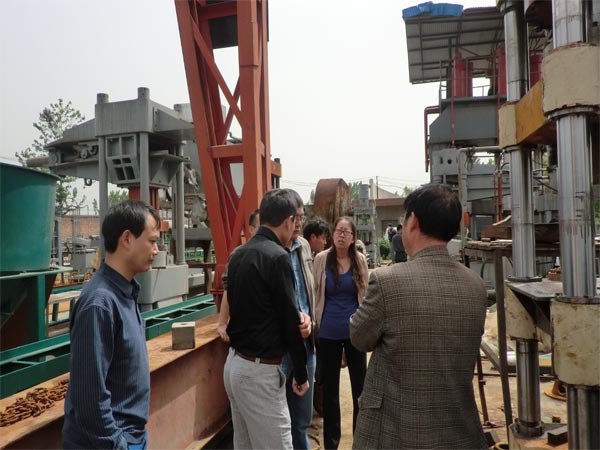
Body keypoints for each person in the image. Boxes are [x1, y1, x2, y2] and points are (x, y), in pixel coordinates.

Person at [350, 184, 488, 450]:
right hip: (459, 433)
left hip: (396, 433)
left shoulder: (387, 281)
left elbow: (359, 337)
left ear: (412, 221)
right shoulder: (476, 286)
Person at [63, 200, 160, 450]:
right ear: (127, 239)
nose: (156, 250)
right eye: (152, 241)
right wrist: (118, 445)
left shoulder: (124, 292)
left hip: (129, 436)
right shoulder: (100, 303)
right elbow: (89, 398)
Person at [224, 188, 309, 449]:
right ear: (288, 221)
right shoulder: (277, 256)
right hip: (259, 372)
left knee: (246, 445)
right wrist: (301, 372)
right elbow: (288, 320)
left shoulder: (238, 254)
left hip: (235, 364)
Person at [312, 216, 369, 450]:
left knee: (360, 391)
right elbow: (315, 291)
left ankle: (360, 442)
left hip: (355, 333)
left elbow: (365, 295)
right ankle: (331, 445)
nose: (341, 235)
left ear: (353, 237)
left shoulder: (360, 261)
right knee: (330, 393)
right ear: (332, 234)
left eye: (346, 232)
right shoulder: (321, 259)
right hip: (328, 333)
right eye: (338, 230)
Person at [282, 191, 317, 450]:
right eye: (295, 218)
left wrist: (311, 322)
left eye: (301, 218)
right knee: (281, 416)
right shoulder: (271, 250)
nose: (298, 223)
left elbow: (309, 291)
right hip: (281, 348)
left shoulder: (304, 246)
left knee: (302, 419)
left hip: (307, 344)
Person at [217, 208, 260, 343]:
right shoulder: (238, 255)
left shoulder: (277, 254)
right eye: (260, 228)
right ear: (251, 229)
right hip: (246, 331)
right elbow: (229, 288)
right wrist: (222, 323)